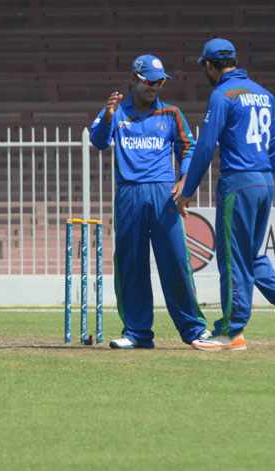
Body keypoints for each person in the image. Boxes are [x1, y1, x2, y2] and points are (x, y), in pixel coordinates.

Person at [177, 38, 275, 351]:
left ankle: (230, 331)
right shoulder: (265, 95)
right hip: (264, 180)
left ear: (209, 65)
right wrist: (263, 178)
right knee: (249, 255)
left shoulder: (222, 95)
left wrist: (188, 189)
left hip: (237, 183)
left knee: (232, 259)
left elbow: (206, 145)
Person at [89, 54, 209, 349]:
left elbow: (189, 148)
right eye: (149, 81)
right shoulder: (116, 111)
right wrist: (106, 117)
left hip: (163, 194)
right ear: (133, 79)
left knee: (176, 262)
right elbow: (99, 141)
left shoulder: (171, 113)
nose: (155, 87)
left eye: (160, 82)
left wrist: (183, 179)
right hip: (129, 193)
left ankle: (194, 330)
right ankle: (137, 333)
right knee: (131, 264)